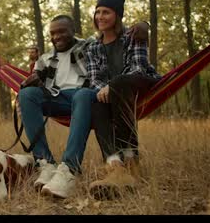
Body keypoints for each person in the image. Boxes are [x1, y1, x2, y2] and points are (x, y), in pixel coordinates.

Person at [18, 14, 149, 199]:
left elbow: (115, 37)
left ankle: (69, 169)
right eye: (53, 33)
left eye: (62, 31)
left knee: (82, 94)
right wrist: (33, 72)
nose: (57, 37)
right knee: (26, 95)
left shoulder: (89, 45)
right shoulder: (46, 59)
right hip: (57, 98)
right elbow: (37, 78)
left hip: (86, 97)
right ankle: (45, 163)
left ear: (73, 31)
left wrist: (143, 25)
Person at [85, 0, 161, 200]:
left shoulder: (133, 35)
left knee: (117, 83)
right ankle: (115, 167)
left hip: (139, 84)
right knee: (95, 103)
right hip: (112, 93)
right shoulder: (93, 47)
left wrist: (112, 86)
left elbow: (138, 68)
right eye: (97, 12)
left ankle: (131, 163)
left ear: (117, 15)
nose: (100, 16)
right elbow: (94, 79)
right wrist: (105, 88)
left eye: (106, 12)